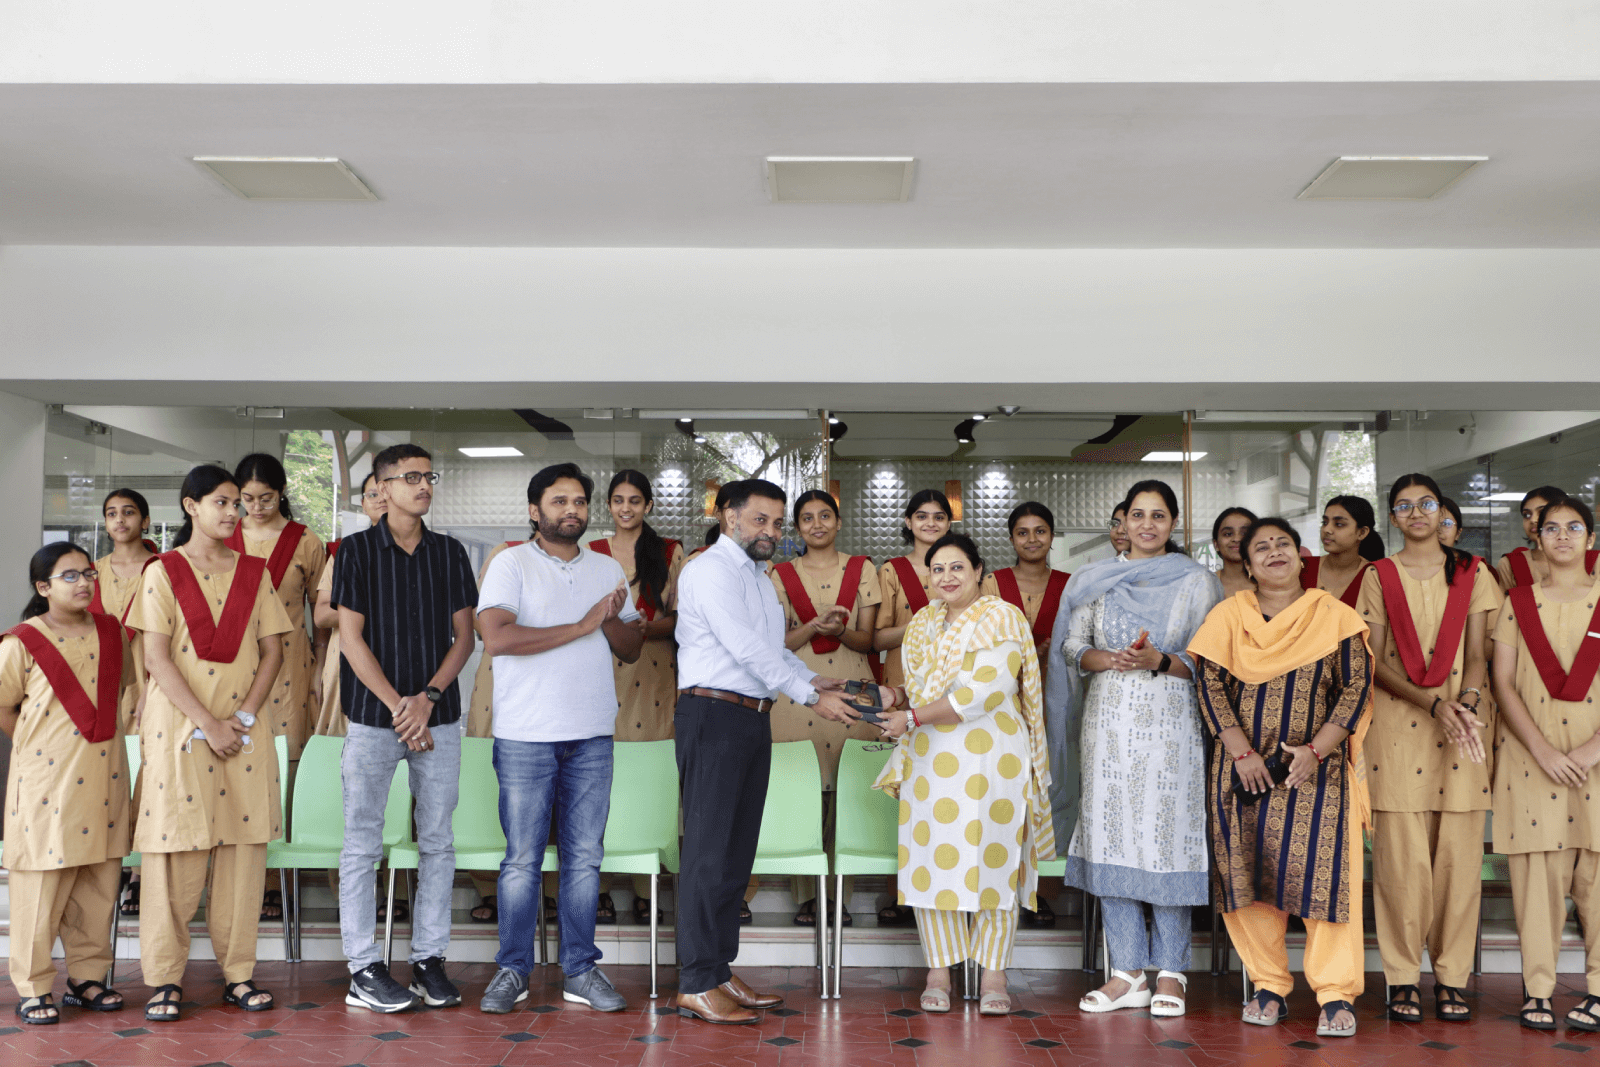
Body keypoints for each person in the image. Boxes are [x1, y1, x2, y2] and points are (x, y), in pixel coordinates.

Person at [672, 478, 861, 1024]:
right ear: (729, 516)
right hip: (712, 714)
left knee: (736, 854)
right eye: (761, 520)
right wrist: (809, 697)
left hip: (751, 717)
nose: (772, 532)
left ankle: (718, 971)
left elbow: (771, 650)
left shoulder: (758, 577)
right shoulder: (709, 570)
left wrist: (814, 678)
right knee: (708, 852)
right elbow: (744, 648)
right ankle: (695, 982)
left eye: (777, 523)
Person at [1188, 517, 1372, 1038]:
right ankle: (1268, 984)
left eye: (1283, 544)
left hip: (1317, 774)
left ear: (1300, 555)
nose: (1274, 552)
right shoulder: (1228, 617)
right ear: (1247, 565)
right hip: (1242, 773)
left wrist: (1315, 751)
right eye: (1261, 548)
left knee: (1326, 880)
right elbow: (1209, 686)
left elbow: (1355, 688)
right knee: (1248, 880)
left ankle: (1335, 993)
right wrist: (1242, 753)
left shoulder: (1334, 617)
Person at [475, 463, 644, 1014]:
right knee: (522, 860)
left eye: (579, 501)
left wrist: (610, 619)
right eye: (559, 501)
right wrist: (582, 624)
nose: (572, 510)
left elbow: (630, 649)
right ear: (534, 511)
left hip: (592, 735)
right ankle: (512, 970)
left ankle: (580, 971)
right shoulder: (511, 563)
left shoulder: (606, 567)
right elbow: (497, 638)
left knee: (585, 859)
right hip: (526, 736)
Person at [129, 465, 292, 1022]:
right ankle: (164, 980)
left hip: (244, 730)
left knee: (244, 852)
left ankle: (238, 974)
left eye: (236, 503)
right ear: (190, 506)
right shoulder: (162, 571)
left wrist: (242, 716)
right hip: (179, 730)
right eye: (221, 502)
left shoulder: (254, 572)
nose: (233, 512)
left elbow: (273, 650)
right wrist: (209, 722)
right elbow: (156, 659)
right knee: (174, 851)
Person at [1052, 479, 1220, 1017]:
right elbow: (1072, 646)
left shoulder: (1198, 582)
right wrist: (1107, 659)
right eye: (1138, 515)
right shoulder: (1093, 580)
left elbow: (1211, 659)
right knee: (1113, 837)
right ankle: (1127, 972)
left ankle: (1171, 971)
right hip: (1108, 727)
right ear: (1122, 522)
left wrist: (1159, 661)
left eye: (1158, 516)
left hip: (1172, 728)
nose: (1147, 525)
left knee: (1167, 841)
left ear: (1174, 523)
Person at [872, 532, 1053, 1016]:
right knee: (933, 861)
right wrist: (895, 697)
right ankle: (939, 970)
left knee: (995, 859)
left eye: (957, 567)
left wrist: (911, 716)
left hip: (992, 757)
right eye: (938, 569)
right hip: (930, 757)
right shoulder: (922, 623)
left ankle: (994, 973)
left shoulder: (1001, 617)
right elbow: (919, 686)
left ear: (978, 572)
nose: (947, 577)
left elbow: (983, 693)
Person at [331, 444, 477, 1013]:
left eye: (427, 476)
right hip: (374, 720)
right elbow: (350, 639)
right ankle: (362, 967)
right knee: (362, 843)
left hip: (438, 718)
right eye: (410, 477)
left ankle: (428, 960)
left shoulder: (450, 552)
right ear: (382, 487)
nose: (423, 485)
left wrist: (428, 699)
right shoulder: (356, 550)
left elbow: (464, 637)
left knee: (438, 841)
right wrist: (400, 706)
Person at [1357, 472, 1501, 1022]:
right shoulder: (1379, 575)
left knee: (1459, 864)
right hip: (1397, 731)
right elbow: (1374, 661)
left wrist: (1465, 699)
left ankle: (1451, 979)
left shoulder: (1472, 572)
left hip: (1462, 727)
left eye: (1426, 504)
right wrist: (1433, 704)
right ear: (1392, 517)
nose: (1416, 513)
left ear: (1442, 512)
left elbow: (1479, 654)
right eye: (1404, 505)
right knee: (1402, 866)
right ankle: (1401, 978)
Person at [2, 544, 134, 1024]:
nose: (83, 583)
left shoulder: (112, 632)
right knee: (42, 884)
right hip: (47, 782)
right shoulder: (20, 642)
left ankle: (87, 978)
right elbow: (4, 706)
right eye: (69, 576)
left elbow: (121, 692)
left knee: (99, 881)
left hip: (104, 774)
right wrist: (36, 750)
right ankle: (34, 987)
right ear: (43, 587)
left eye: (88, 573)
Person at [1490, 494, 1600, 1031]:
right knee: (1536, 880)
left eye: (1573, 527)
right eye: (1551, 527)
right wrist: (1543, 751)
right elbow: (1502, 682)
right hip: (1532, 760)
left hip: (1596, 758)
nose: (1561, 536)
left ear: (1590, 539)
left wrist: (1590, 751)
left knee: (1598, 881)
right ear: (1537, 537)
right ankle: (1537, 990)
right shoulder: (1518, 603)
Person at [770, 489, 882, 927]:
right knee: (803, 794)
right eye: (807, 518)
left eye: (824, 516)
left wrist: (838, 631)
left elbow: (868, 641)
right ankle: (807, 896)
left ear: (838, 522)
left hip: (853, 687)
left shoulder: (862, 568)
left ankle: (839, 896)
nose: (816, 524)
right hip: (800, 690)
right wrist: (814, 627)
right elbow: (776, 643)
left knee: (849, 796)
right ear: (797, 527)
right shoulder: (780, 573)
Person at [232, 452, 327, 924]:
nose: (256, 507)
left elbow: (320, 612)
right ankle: (237, 875)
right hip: (233, 665)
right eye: (247, 499)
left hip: (290, 665)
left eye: (265, 498)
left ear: (282, 492)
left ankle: (276, 879)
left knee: (283, 767)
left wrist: (324, 667)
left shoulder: (306, 542)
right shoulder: (222, 538)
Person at [590, 470, 687, 926]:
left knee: (648, 778)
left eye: (634, 500)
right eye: (618, 500)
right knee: (600, 778)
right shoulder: (591, 551)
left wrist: (651, 627)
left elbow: (683, 618)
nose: (626, 508)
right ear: (609, 505)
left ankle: (648, 886)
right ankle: (599, 886)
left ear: (648, 505)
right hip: (601, 668)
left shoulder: (668, 552)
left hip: (653, 670)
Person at [980, 501, 1070, 928]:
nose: (1032, 539)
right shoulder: (991, 583)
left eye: (1040, 531)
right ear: (1011, 538)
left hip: (1057, 699)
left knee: (1049, 793)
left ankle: (1041, 895)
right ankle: (998, 887)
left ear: (1052, 535)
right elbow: (979, 639)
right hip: (1002, 703)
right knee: (1003, 791)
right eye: (1023, 532)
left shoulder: (1070, 584)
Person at [873, 488, 952, 928]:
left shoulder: (962, 568)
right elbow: (877, 638)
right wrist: (924, 623)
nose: (930, 523)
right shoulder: (892, 571)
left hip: (952, 697)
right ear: (908, 522)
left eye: (939, 516)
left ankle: (943, 884)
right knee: (903, 788)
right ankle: (901, 890)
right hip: (905, 690)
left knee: (946, 788)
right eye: (922, 516)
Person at [92, 489, 157, 920]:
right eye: (112, 514)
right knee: (104, 776)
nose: (120, 520)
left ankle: (139, 872)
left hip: (148, 685)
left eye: (129, 512)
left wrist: (152, 689)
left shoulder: (163, 568)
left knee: (146, 777)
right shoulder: (91, 571)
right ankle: (107, 865)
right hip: (101, 687)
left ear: (145, 521)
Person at [311, 472, 387, 739]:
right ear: (363, 504)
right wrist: (375, 606)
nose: (381, 500)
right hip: (345, 663)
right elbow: (321, 614)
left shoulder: (426, 552)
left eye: (386, 493)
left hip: (400, 664)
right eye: (373, 494)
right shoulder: (345, 551)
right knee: (341, 746)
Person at [1498, 486, 1600, 587]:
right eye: (1527, 515)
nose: (1533, 520)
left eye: (1542, 512)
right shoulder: (1512, 564)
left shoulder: (1595, 561)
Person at [1301, 496, 1385, 608]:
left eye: (1339, 524)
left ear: (1362, 533)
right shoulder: (1302, 567)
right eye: (1325, 522)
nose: (1326, 529)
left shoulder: (1373, 576)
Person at [1212, 507, 1258, 599]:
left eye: (1245, 533)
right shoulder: (1206, 584)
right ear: (1216, 544)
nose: (1237, 539)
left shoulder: (1272, 583)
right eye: (1228, 534)